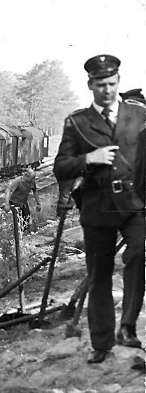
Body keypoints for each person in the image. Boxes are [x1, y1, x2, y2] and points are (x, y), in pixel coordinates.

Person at [53, 54, 146, 364]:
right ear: (90, 85)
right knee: (99, 276)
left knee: (137, 254)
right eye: (101, 85)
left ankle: (127, 328)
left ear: (118, 82)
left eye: (112, 83)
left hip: (133, 204)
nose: (107, 90)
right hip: (97, 206)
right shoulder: (77, 122)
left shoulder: (137, 115)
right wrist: (89, 159)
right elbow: (61, 168)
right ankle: (101, 343)